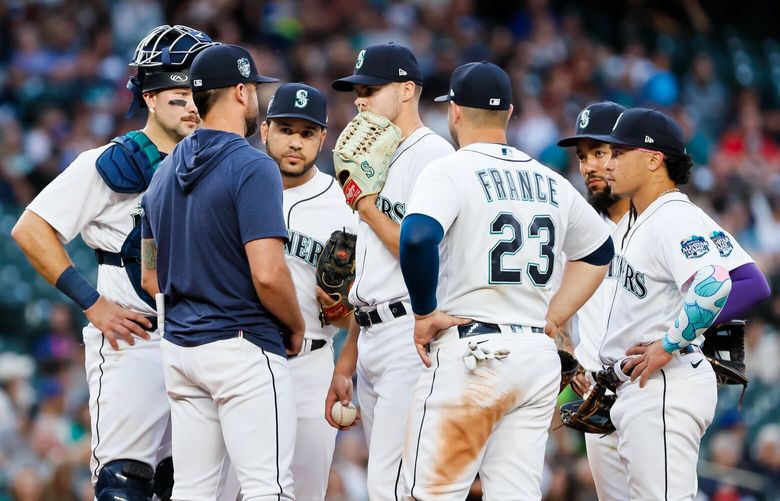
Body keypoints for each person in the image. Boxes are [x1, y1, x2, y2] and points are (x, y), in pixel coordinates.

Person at [11, 25, 216, 501]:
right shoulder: (110, 161)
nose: (191, 106)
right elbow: (31, 229)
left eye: (198, 95)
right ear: (149, 95)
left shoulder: (221, 162)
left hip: (205, 340)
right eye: (178, 95)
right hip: (136, 340)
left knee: (192, 485)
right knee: (125, 483)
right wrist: (93, 303)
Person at [398, 61, 615, 500]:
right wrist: (551, 318)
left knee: (430, 494)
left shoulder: (450, 169)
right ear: (511, 113)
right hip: (534, 357)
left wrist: (423, 312)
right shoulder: (550, 179)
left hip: (473, 353)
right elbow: (599, 253)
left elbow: (418, 237)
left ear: (454, 112)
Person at [140, 44, 304, 500]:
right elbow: (268, 274)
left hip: (181, 352)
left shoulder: (163, 171)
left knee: (193, 490)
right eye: (254, 88)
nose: (257, 98)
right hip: (241, 346)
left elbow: (150, 277)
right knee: (267, 488)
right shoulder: (253, 165)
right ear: (239, 91)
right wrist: (294, 324)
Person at [600, 107, 770, 500]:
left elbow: (715, 285)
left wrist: (670, 341)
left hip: (662, 384)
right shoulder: (652, 217)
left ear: (653, 159)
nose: (609, 164)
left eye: (619, 153)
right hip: (640, 386)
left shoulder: (673, 217)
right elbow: (749, 281)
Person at [325, 42, 455, 499]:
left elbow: (416, 249)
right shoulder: (376, 156)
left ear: (406, 90)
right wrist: (349, 354)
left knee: (393, 483)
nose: (359, 100)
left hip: (409, 332)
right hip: (373, 330)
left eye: (371, 89)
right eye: (357, 91)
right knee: (393, 482)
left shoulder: (433, 157)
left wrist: (364, 204)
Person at [259, 82, 359, 500]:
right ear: (264, 130)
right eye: (285, 129)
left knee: (304, 492)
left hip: (311, 362)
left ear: (323, 137)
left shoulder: (346, 205)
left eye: (306, 132)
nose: (294, 142)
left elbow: (363, 310)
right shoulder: (237, 186)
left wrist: (343, 366)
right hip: (242, 355)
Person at [555, 101, 631, 501]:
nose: (588, 166)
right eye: (583, 156)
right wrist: (570, 348)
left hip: (648, 386)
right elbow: (558, 297)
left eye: (599, 153)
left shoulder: (660, 218)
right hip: (596, 393)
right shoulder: (579, 224)